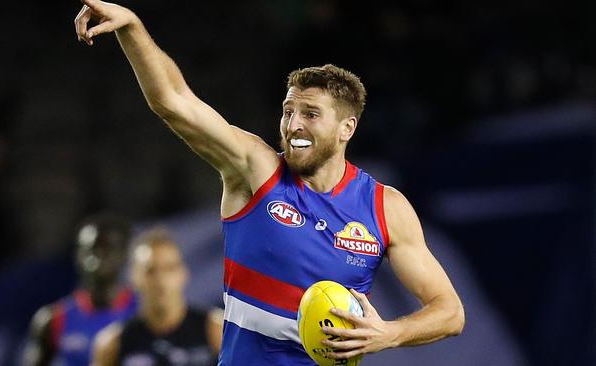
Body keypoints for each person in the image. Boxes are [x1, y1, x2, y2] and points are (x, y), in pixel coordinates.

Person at [74, 1, 465, 364]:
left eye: (311, 114)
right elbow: (174, 101)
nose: (293, 124)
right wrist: (133, 28)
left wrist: (390, 333)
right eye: (288, 110)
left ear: (347, 128)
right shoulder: (255, 171)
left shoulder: (385, 207)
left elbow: (450, 312)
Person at [92, 227, 223, 366]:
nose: (160, 280)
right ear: (134, 278)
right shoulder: (112, 343)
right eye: (150, 271)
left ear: (183, 273)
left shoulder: (216, 331)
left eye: (169, 268)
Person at [23, 213, 138, 366]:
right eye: (92, 249)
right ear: (78, 255)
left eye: (108, 248)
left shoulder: (144, 314)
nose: (98, 256)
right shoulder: (55, 319)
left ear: (125, 254)